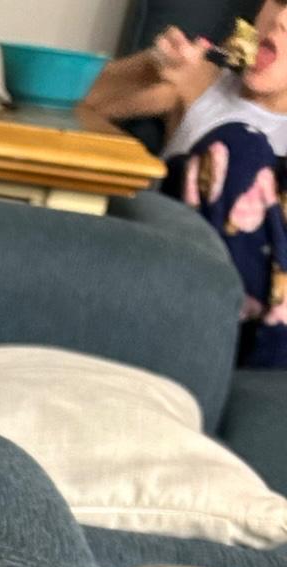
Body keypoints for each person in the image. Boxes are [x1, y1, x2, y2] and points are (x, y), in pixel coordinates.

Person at [81, 3, 287, 366]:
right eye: (281, 2)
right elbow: (73, 98)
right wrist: (149, 66)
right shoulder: (201, 82)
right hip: (187, 285)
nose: (281, 21)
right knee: (240, 147)